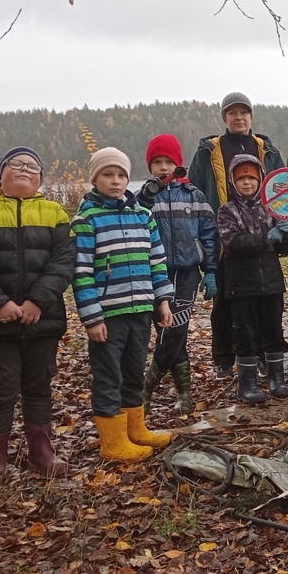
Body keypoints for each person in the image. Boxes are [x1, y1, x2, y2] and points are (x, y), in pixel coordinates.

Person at [0, 147, 76, 478]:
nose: (25, 169)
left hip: (43, 320)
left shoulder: (55, 213)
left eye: (32, 166)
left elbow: (63, 262)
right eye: (16, 164)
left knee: (38, 385)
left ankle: (42, 451)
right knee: (0, 386)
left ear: (40, 178)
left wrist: (39, 300)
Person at [72, 148, 175, 463]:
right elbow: (81, 272)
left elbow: (157, 261)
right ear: (95, 178)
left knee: (134, 371)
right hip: (108, 315)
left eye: (121, 175)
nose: (115, 181)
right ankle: (113, 444)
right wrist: (92, 318)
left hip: (141, 310)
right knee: (108, 375)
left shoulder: (143, 216)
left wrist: (163, 299)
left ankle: (135, 431)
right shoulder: (87, 219)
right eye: (107, 174)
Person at [189, 92, 285, 378]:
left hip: (262, 229)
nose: (239, 117)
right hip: (225, 231)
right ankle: (223, 357)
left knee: (263, 300)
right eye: (232, 113)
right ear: (225, 118)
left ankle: (262, 355)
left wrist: (282, 227)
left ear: (251, 116)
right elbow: (195, 190)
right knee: (225, 301)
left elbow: (282, 189)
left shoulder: (266, 149)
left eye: (244, 112)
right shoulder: (209, 151)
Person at [138, 133, 218, 415]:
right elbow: (134, 225)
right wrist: (145, 197)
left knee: (175, 330)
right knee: (166, 331)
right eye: (157, 162)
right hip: (153, 273)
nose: (163, 167)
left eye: (168, 161)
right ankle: (185, 393)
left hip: (187, 274)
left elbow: (208, 234)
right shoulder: (144, 197)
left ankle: (145, 390)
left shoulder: (193, 195)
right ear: (149, 166)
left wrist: (210, 270)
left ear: (178, 164)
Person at [217, 155, 288, 404]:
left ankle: (276, 379)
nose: (247, 182)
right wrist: (267, 238)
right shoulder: (227, 211)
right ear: (233, 182)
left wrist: (287, 233)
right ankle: (247, 384)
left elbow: (283, 248)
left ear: (260, 179)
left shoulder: (272, 208)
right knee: (246, 334)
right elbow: (234, 243)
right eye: (241, 178)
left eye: (251, 177)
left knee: (274, 331)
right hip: (242, 285)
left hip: (271, 282)